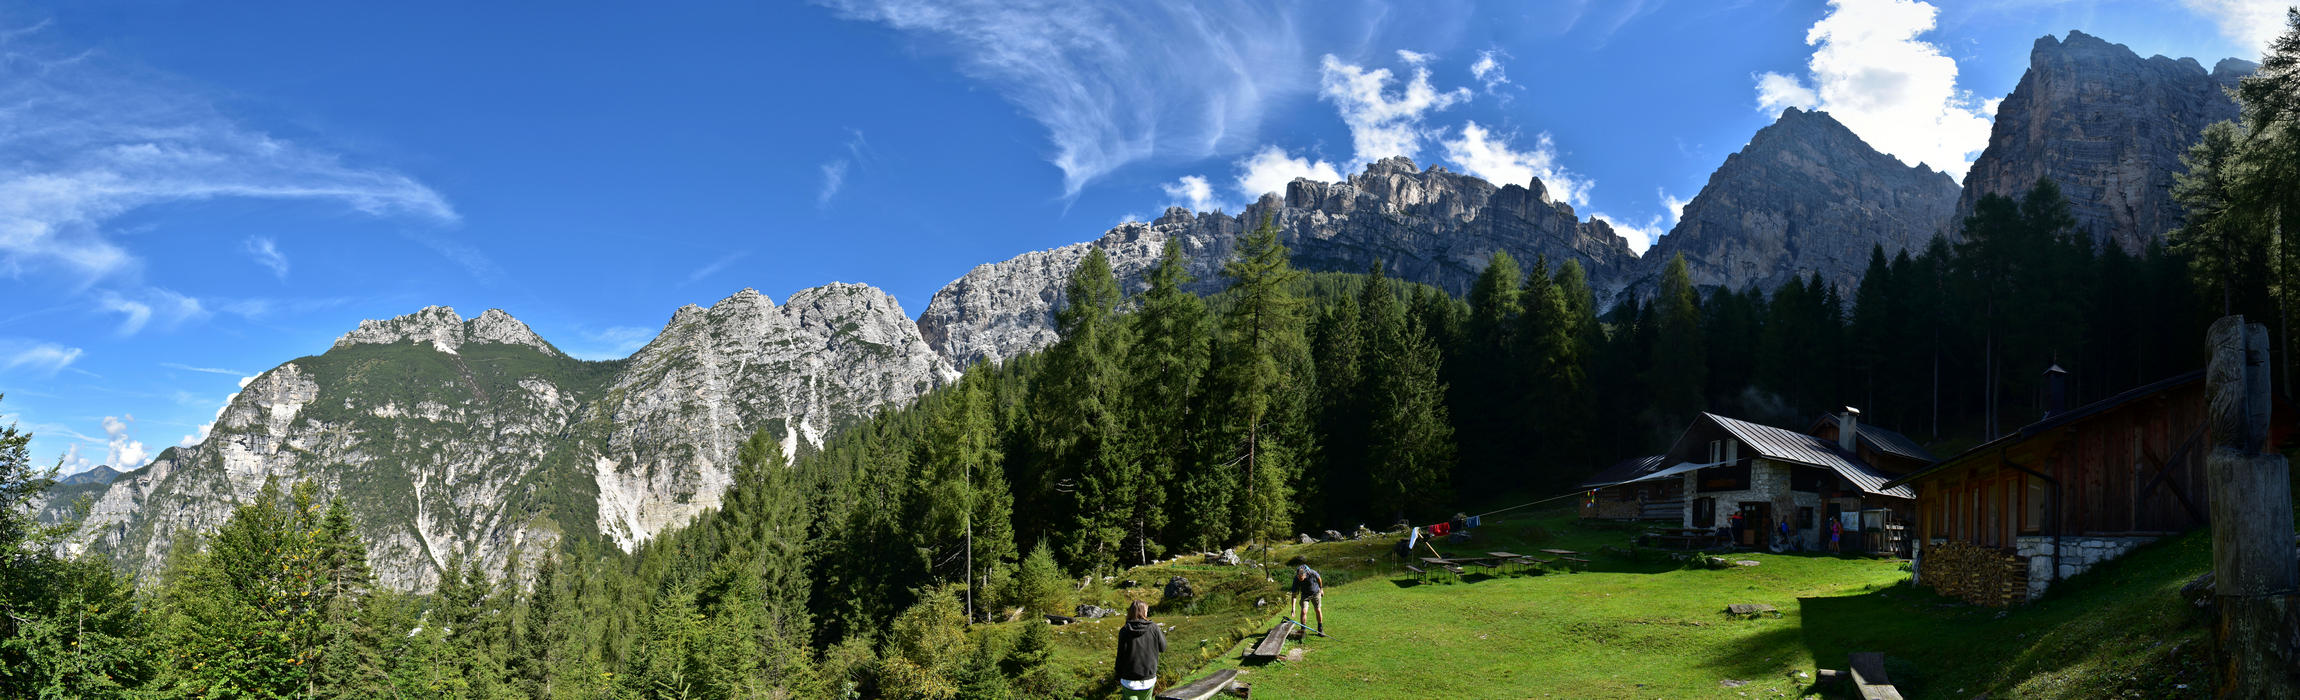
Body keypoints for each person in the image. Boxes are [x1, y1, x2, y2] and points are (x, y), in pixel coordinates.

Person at [1115, 600, 1164, 700]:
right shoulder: (1154, 628)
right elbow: (1163, 647)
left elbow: (1120, 655)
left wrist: (1117, 675)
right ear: (1143, 612)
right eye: (1146, 610)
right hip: (1148, 677)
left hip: (1129, 680)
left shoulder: (1124, 630)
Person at [1292, 563, 1325, 633]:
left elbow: (1319, 578)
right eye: (1299, 578)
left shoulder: (1311, 573)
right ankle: (1303, 630)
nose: (1300, 579)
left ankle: (1320, 628)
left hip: (1315, 592)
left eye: (1302, 578)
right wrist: (1293, 609)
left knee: (1318, 610)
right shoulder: (1296, 579)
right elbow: (1294, 595)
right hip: (1305, 595)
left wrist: (1321, 589)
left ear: (1305, 575)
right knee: (1304, 611)